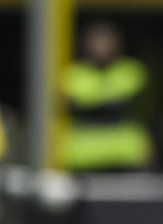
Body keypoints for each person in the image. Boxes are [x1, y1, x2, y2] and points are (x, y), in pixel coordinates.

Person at [61, 21, 154, 171]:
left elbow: (141, 108)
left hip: (127, 156)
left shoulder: (132, 71)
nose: (102, 46)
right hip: (82, 158)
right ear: (85, 43)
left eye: (107, 40)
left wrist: (91, 103)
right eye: (97, 40)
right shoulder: (72, 75)